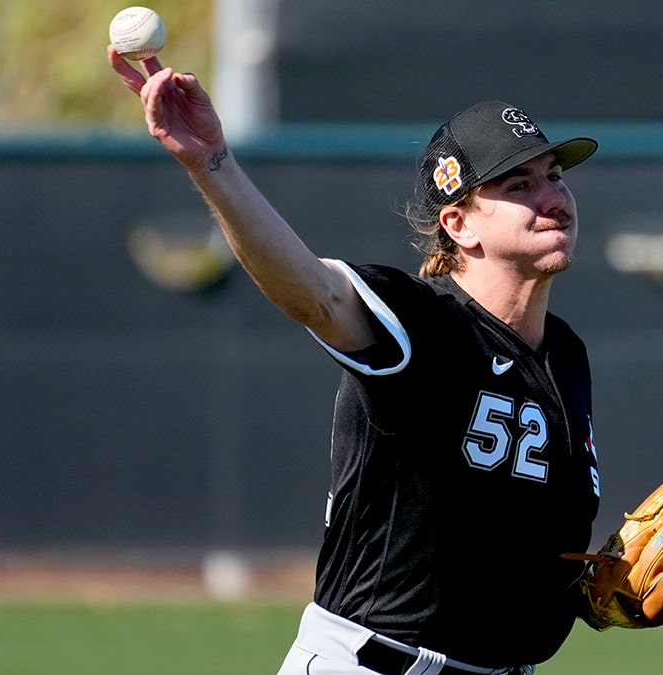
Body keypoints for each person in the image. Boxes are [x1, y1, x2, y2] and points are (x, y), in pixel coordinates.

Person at [109, 47, 602, 675]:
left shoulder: (566, 356)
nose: (554, 197)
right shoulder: (425, 324)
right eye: (519, 185)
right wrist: (212, 163)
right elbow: (311, 293)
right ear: (459, 224)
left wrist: (605, 590)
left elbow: (519, 540)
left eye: (555, 174)